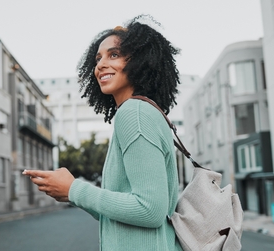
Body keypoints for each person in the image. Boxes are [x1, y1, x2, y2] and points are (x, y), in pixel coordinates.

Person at [23, 15, 183, 251]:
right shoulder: (142, 112)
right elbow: (123, 213)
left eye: (114, 55)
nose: (100, 65)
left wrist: (75, 188)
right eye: (98, 58)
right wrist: (71, 193)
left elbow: (150, 210)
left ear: (141, 60)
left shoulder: (134, 112)